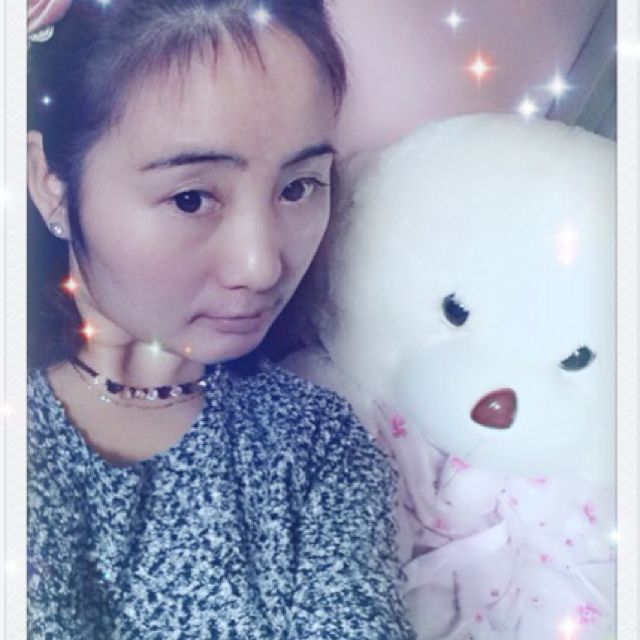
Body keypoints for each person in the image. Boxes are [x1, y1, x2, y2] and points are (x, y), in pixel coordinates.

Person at [26, 0, 415, 638]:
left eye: (298, 187)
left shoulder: (316, 445)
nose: (262, 266)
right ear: (50, 182)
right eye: (191, 197)